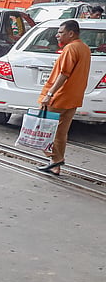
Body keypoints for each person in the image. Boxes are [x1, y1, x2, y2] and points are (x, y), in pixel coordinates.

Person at [37, 19, 91, 176]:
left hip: (59, 97)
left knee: (43, 129)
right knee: (60, 131)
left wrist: (49, 94)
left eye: (60, 33)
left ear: (71, 33)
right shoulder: (84, 48)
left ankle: (55, 160)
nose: (57, 35)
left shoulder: (71, 48)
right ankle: (55, 164)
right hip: (73, 97)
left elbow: (64, 74)